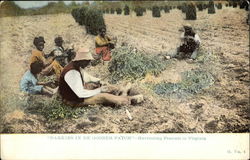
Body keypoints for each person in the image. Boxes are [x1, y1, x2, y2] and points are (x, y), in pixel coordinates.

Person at [59, 47, 144, 107]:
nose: (88, 64)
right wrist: (99, 90)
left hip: (75, 96)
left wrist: (99, 82)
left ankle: (121, 90)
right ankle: (128, 99)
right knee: (103, 96)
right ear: (82, 60)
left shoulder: (76, 67)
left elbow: (87, 78)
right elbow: (80, 94)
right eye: (87, 61)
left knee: (98, 86)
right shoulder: (72, 72)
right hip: (73, 101)